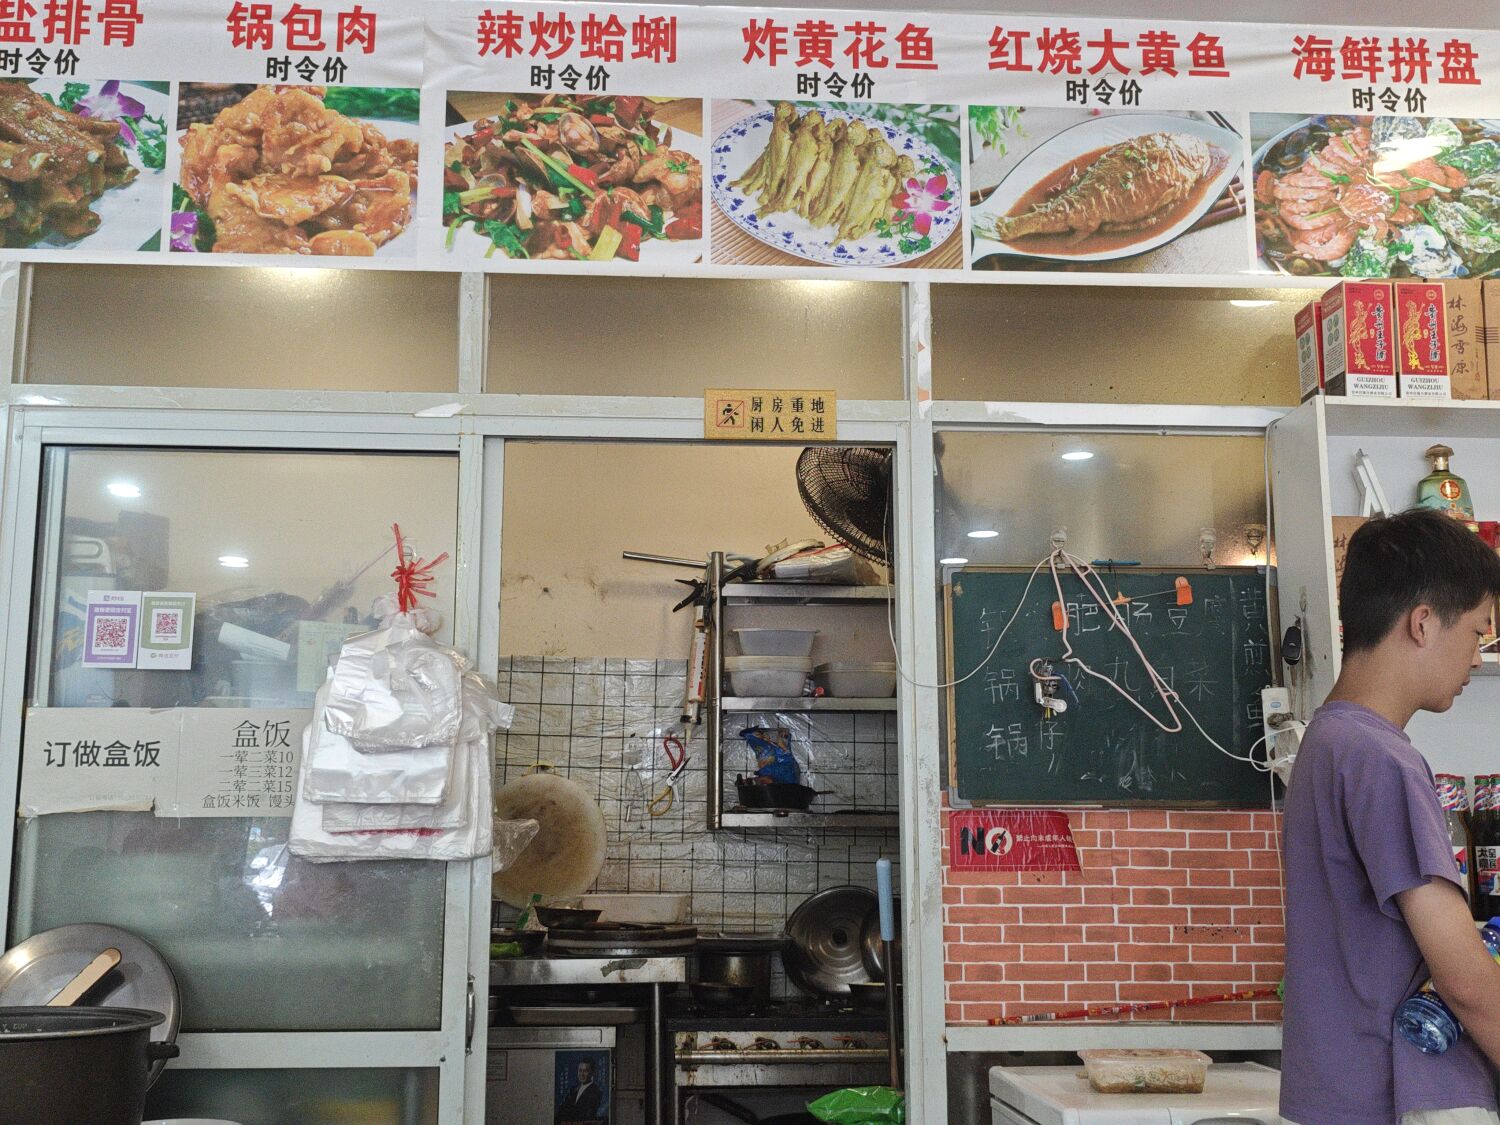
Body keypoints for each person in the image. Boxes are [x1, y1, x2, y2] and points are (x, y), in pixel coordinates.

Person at [1281, 508, 1500, 1125]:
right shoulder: (1382, 760)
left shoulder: (1325, 743)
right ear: (1423, 623)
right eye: (1476, 632)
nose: (1477, 658)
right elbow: (1463, 979)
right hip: (1407, 1096)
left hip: (1336, 1091)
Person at [556, 1058, 604, 1124]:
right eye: (580, 1070)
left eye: (585, 1071)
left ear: (592, 1073)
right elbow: (561, 1109)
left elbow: (586, 1116)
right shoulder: (573, 1089)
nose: (582, 1074)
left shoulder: (596, 1092)